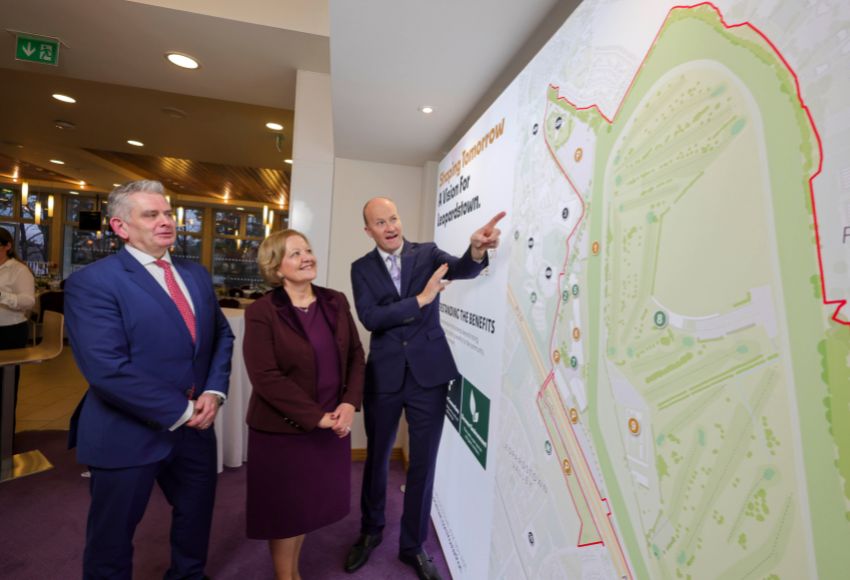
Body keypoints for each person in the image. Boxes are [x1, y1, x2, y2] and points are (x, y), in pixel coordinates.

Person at [64, 180, 234, 580]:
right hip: (125, 432)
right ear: (120, 227)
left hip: (195, 431)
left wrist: (213, 389)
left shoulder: (195, 274)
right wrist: (181, 410)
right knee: (111, 539)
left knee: (195, 521)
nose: (165, 222)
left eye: (168, 213)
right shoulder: (93, 282)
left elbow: (221, 336)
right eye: (151, 214)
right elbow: (107, 368)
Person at [345, 197, 504, 580]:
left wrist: (477, 248)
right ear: (368, 231)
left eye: (394, 218)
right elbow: (370, 318)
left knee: (423, 464)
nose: (390, 226)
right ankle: (371, 531)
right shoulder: (361, 269)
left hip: (428, 376)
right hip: (384, 376)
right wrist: (421, 299)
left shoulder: (428, 253)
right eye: (380, 222)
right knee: (378, 459)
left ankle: (413, 546)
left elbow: (463, 269)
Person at [243, 229, 365, 580]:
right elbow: (265, 377)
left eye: (308, 250)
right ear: (276, 267)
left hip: (330, 426)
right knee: (285, 514)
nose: (307, 257)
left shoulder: (335, 300)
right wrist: (318, 418)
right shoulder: (262, 312)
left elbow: (356, 356)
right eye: (295, 254)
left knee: (306, 509)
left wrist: (347, 404)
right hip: (282, 432)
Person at [0, 228, 35, 437]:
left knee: (4, 389)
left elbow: (29, 302)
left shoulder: (19, 270)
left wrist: (2, 296)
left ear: (7, 246)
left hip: (9, 332)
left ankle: (4, 439)